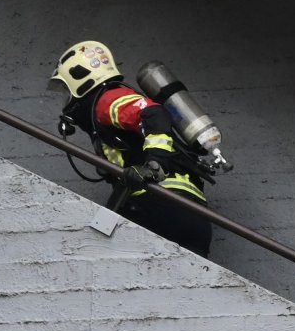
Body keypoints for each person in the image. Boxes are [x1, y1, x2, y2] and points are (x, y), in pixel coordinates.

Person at [52, 39, 214, 256]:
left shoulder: (105, 101)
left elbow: (153, 114)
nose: (65, 99)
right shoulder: (101, 116)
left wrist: (154, 165)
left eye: (65, 89)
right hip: (192, 215)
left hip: (161, 204)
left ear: (80, 79)